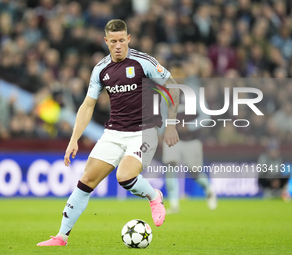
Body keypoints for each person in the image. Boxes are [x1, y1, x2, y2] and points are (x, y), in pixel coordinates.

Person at [37, 19, 180, 246]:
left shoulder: (145, 62)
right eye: (113, 41)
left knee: (124, 176)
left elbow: (173, 88)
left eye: (122, 40)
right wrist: (74, 139)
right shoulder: (101, 70)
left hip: (144, 131)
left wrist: (171, 125)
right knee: (86, 180)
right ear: (106, 42)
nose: (118, 45)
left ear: (128, 39)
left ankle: (154, 196)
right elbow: (87, 105)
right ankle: (61, 237)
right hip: (114, 132)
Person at [162, 60, 217, 214]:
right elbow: (162, 115)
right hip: (173, 138)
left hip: (192, 139)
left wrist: (190, 126)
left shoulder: (193, 93)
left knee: (195, 172)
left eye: (178, 74)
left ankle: (209, 189)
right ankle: (174, 204)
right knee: (170, 166)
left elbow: (206, 116)